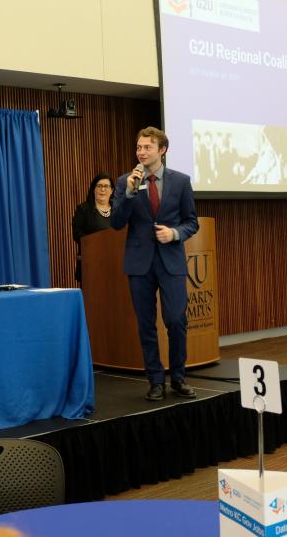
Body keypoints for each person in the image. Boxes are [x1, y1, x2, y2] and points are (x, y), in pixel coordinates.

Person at [111, 127, 199, 401]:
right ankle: (155, 381)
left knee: (175, 320)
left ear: (162, 150)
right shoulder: (126, 181)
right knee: (146, 324)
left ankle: (179, 378)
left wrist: (174, 234)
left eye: (147, 147)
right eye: (139, 147)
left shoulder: (181, 182)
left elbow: (191, 222)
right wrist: (128, 193)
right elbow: (116, 223)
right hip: (139, 263)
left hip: (170, 260)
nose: (141, 152)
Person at [71, 173, 115, 284]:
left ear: (112, 190)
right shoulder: (83, 209)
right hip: (90, 263)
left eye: (106, 186)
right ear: (93, 189)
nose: (102, 189)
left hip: (115, 261)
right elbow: (77, 234)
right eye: (99, 186)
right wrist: (97, 243)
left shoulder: (118, 209)